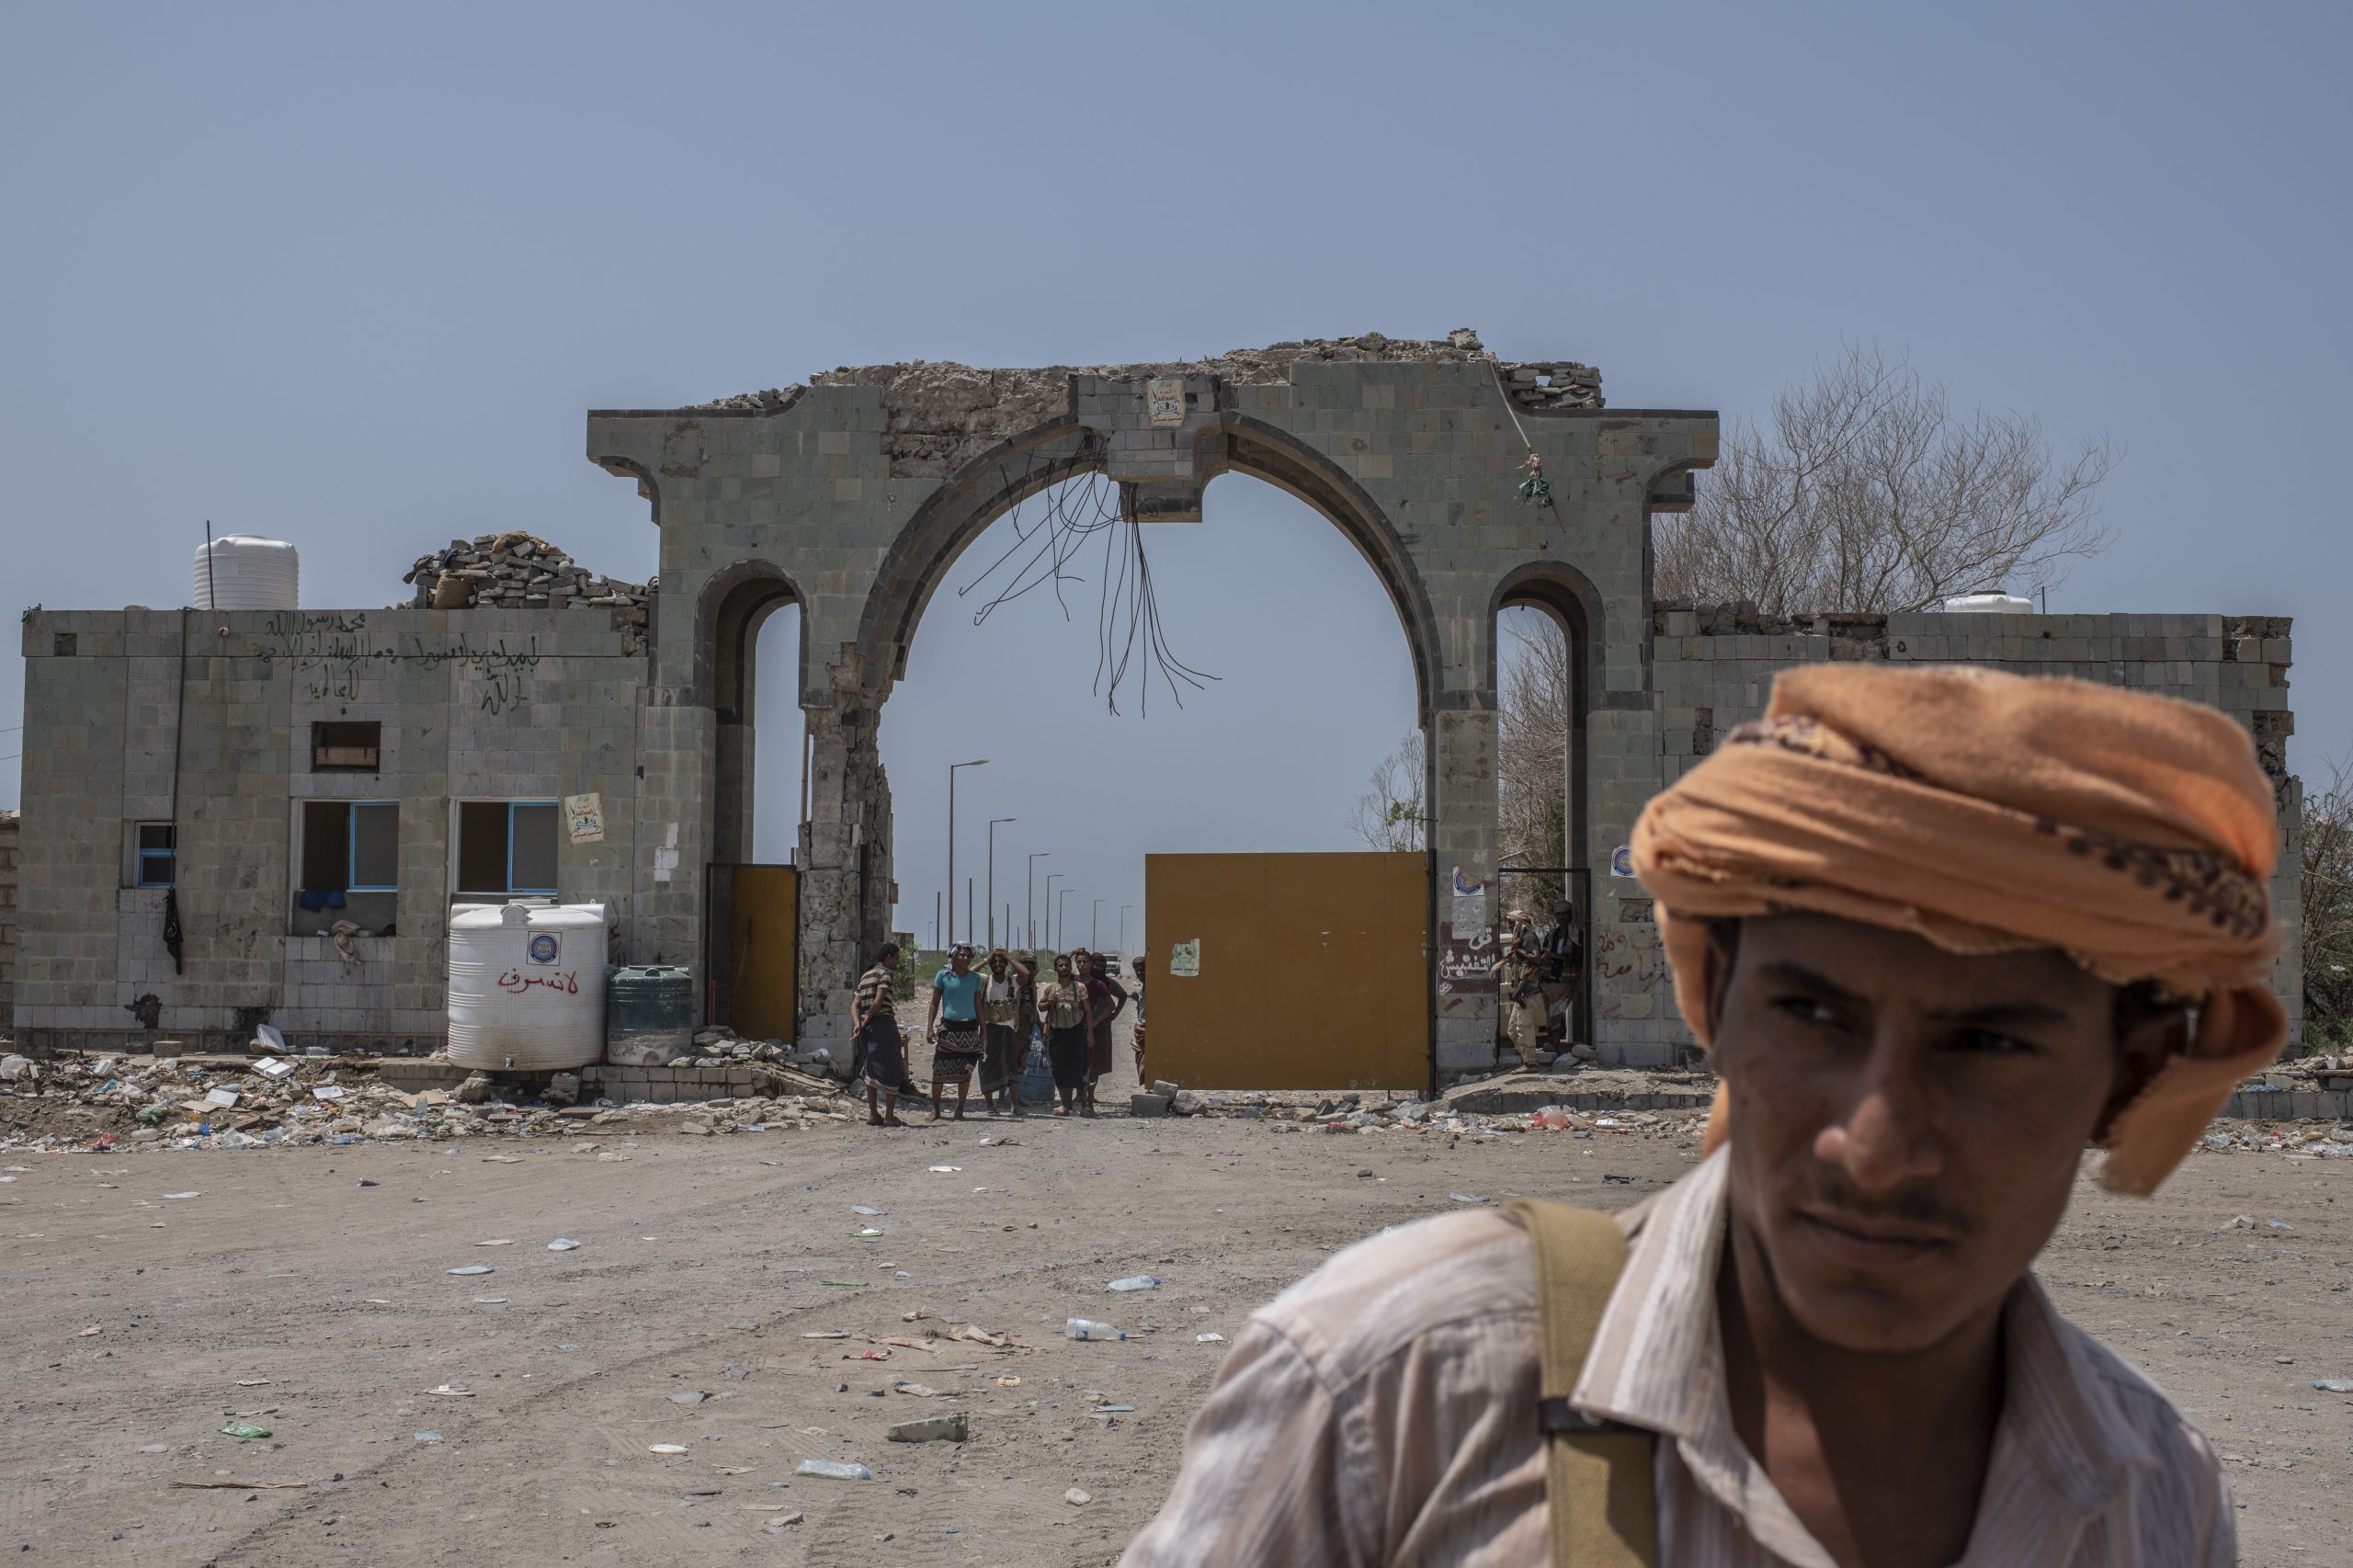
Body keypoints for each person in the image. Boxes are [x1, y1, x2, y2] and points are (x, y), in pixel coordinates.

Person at [1127, 665, 2282, 1565]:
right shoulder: (1398, 1384)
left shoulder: (2153, 1493)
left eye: (1986, 1044)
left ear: (2126, 1074)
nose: (1873, 1148)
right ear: (1714, 1003)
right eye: (1815, 1015)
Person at [924, 942, 986, 1121]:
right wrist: (929, 1028)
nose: (965, 959)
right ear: (954, 956)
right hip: (948, 1029)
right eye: (962, 955)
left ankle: (959, 1110)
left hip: (969, 1030)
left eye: (968, 956)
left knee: (965, 1073)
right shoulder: (943, 976)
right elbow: (935, 1002)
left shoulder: (975, 978)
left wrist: (984, 1030)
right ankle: (935, 1109)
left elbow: (978, 1005)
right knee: (939, 1071)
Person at [849, 941, 909, 1129]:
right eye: (896, 958)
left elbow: (854, 1005)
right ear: (888, 957)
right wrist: (865, 1022)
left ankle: (874, 1114)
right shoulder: (885, 974)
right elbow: (878, 1001)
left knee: (872, 1068)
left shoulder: (866, 976)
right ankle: (890, 1116)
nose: (897, 963)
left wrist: (859, 1024)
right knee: (893, 1067)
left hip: (868, 1030)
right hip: (883, 1025)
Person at [1037, 952, 1097, 1117]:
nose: (1063, 968)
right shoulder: (1050, 988)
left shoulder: (1080, 988)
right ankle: (1066, 1106)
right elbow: (1040, 1007)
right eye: (1060, 965)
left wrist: (1090, 1034)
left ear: (1071, 968)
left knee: (1080, 1068)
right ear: (1056, 968)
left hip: (1076, 1033)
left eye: (1066, 965)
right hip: (1057, 1035)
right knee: (1060, 1069)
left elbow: (1088, 1011)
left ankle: (1085, 1105)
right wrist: (1049, 1002)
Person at [976, 948, 1033, 1117]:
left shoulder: (1013, 981)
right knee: (986, 1067)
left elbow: (1026, 974)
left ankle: (1015, 1105)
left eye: (1002, 962)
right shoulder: (984, 980)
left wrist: (1007, 956)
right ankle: (990, 1105)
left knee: (1011, 1069)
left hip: (1008, 1031)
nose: (998, 964)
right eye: (995, 962)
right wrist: (987, 959)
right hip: (989, 1029)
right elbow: (969, 973)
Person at [1489, 922, 1551, 1071]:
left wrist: (1518, 950)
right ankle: (1527, 1059)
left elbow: (1536, 958)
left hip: (1528, 991)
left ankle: (1531, 1062)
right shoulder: (1520, 941)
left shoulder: (1528, 938)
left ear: (1519, 923)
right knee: (1512, 1029)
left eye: (1511, 923)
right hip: (1521, 992)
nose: (1510, 927)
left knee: (1524, 1026)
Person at [1079, 948, 1128, 1113]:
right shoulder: (1082, 982)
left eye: (1102, 965)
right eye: (1096, 964)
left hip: (1101, 1028)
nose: (1099, 968)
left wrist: (1113, 1017)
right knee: (1080, 1061)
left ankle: (1089, 1096)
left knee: (1096, 1063)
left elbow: (1122, 996)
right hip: (1082, 1027)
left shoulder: (1105, 983)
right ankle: (1081, 1095)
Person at [1541, 896, 1582, 1053]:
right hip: (1548, 981)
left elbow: (1578, 958)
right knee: (1549, 1015)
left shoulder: (1576, 935)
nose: (1561, 917)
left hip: (1564, 980)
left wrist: (1556, 956)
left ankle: (1555, 1046)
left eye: (1564, 914)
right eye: (1558, 914)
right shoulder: (1552, 934)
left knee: (1556, 1014)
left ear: (1570, 914)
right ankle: (1551, 1043)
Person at [1129, 952, 1148, 1082]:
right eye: (1137, 970)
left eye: (1142, 970)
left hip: (1147, 1028)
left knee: (1146, 1060)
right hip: (1141, 1026)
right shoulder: (1142, 987)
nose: (1140, 973)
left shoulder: (1153, 985)